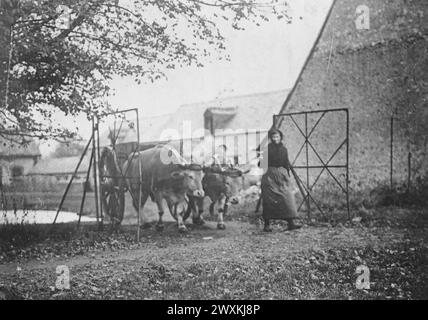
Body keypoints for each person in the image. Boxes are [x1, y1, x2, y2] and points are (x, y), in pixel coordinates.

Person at [260, 129, 302, 232]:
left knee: (287, 196)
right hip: (270, 175)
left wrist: (287, 174)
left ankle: (291, 223)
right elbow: (261, 164)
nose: (275, 139)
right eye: (273, 137)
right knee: (269, 200)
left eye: (277, 137)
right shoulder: (266, 149)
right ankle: (267, 225)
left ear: (281, 137)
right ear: (271, 138)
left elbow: (286, 162)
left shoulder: (284, 149)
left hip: (282, 175)